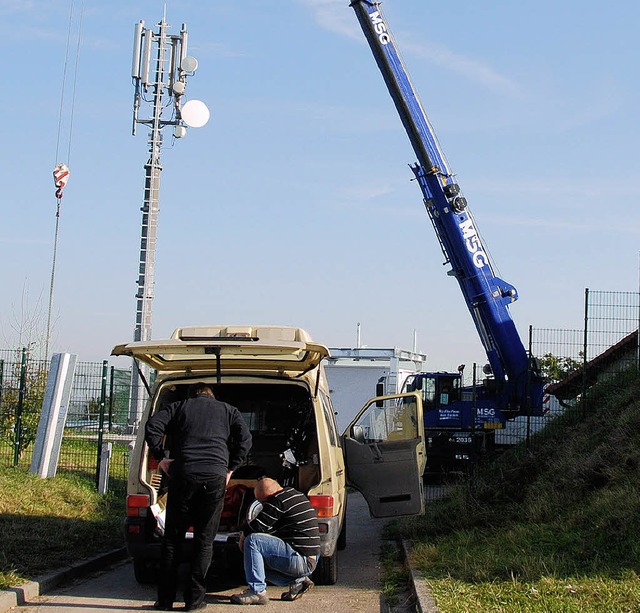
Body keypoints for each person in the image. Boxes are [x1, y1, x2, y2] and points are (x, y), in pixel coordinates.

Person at [145, 383, 252, 611]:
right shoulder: (228, 410)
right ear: (211, 396)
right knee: (204, 541)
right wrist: (230, 467)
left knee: (173, 539)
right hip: (214, 476)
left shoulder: (179, 406)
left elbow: (153, 425)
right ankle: (193, 601)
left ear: (193, 395)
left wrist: (160, 456)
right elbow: (245, 440)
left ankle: (164, 601)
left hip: (183, 474)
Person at [231, 477, 320, 605]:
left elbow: (258, 526)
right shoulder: (294, 494)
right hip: (312, 558)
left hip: (301, 559)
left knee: (252, 541)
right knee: (255, 562)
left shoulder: (278, 501)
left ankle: (257, 592)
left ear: (268, 497)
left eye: (263, 503)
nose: (264, 506)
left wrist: (242, 536)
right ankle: (298, 582)